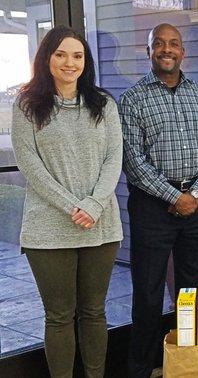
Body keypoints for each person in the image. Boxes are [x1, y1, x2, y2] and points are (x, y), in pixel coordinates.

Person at [11, 25, 123, 378]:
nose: (69, 62)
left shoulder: (103, 104)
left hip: (100, 225)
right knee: (59, 316)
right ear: (46, 58)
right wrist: (71, 206)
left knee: (94, 312)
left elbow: (113, 158)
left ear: (85, 62)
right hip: (48, 228)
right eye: (60, 54)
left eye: (77, 55)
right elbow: (29, 163)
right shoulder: (27, 104)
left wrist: (92, 205)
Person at [119, 23, 198, 378]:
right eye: (159, 44)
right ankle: (141, 368)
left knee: (195, 291)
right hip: (152, 207)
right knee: (147, 294)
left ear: (184, 52)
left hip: (197, 205)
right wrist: (173, 196)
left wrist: (193, 194)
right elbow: (133, 161)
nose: (167, 49)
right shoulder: (133, 99)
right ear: (149, 52)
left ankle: (192, 365)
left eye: (173, 44)